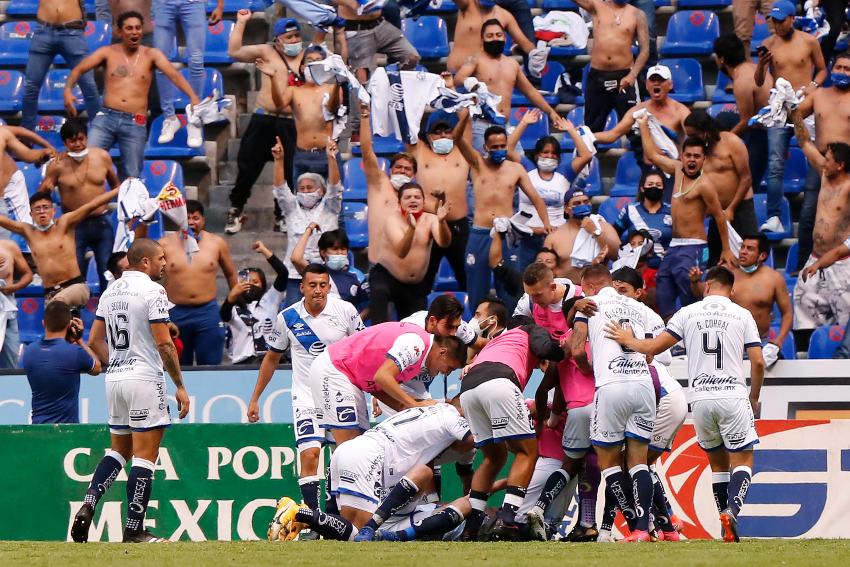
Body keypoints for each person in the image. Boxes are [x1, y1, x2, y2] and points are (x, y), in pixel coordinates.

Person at [606, 266, 765, 543]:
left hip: (701, 399)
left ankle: (724, 526)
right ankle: (732, 511)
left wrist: (627, 340)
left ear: (706, 286)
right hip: (733, 396)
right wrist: (754, 396)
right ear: (732, 289)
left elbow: (654, 348)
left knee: (718, 466)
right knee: (743, 460)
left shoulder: (687, 313)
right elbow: (759, 361)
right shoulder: (742, 315)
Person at [71, 238, 190, 544]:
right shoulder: (153, 291)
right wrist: (179, 385)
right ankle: (134, 529)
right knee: (145, 457)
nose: (165, 263)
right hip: (144, 378)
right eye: (161, 258)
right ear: (145, 262)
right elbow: (164, 342)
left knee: (119, 451)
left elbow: (96, 339)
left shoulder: (110, 292)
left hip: (115, 378)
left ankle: (88, 503)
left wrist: (119, 363)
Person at [248, 263, 363, 516]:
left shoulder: (346, 311)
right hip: (306, 398)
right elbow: (271, 358)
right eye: (313, 285)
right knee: (309, 455)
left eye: (323, 285)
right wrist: (255, 398)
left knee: (342, 458)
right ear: (302, 288)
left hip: (341, 396)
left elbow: (362, 352)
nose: (318, 290)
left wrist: (371, 392)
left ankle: (333, 517)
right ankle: (313, 519)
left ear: (329, 286)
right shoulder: (287, 317)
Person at [278, 401, 473, 542]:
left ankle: (307, 520)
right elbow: (475, 439)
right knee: (357, 534)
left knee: (335, 536)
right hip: (368, 457)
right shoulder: (451, 416)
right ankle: (301, 513)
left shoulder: (429, 415)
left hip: (349, 451)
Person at [568, 264, 656, 543]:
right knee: (639, 462)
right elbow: (651, 353)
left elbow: (576, 348)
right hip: (643, 386)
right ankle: (644, 528)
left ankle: (634, 525)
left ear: (591, 287)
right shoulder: (638, 306)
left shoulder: (589, 305)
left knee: (608, 462)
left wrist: (587, 368)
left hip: (611, 385)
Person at [459, 317, 565, 540]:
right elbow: (546, 349)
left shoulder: (498, 340)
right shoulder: (529, 329)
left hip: (468, 390)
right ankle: (508, 519)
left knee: (493, 458)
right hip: (500, 382)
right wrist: (563, 348)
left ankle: (472, 525)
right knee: (527, 452)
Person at [64, 10, 201, 180]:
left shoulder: (152, 54)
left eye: (137, 28)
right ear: (120, 32)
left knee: (133, 176)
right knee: (86, 161)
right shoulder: (107, 52)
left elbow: (174, 75)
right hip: (106, 117)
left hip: (135, 121)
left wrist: (193, 97)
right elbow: (80, 68)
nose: (134, 32)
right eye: (129, 28)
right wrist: (68, 89)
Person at [637, 112, 735, 318]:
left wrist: (726, 250)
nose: (692, 160)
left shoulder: (705, 185)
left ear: (703, 159)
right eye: (688, 155)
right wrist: (643, 125)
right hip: (674, 245)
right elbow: (652, 155)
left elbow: (719, 216)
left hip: (695, 246)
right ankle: (671, 338)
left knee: (690, 293)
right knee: (663, 289)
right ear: (682, 156)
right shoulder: (678, 170)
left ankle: (694, 333)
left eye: (697, 156)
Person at [454, 108, 552, 313]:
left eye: (503, 146)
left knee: (510, 287)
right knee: (476, 286)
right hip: (480, 232)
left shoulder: (515, 169)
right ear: (485, 147)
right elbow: (457, 139)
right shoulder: (477, 163)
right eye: (495, 146)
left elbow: (536, 198)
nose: (499, 149)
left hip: (507, 234)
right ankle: (476, 331)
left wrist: (547, 224)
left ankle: (512, 329)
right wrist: (464, 118)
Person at [310, 321, 466, 446]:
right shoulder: (416, 345)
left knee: (357, 446)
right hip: (335, 368)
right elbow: (382, 377)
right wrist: (413, 404)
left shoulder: (419, 361)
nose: (447, 373)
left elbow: (387, 394)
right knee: (348, 446)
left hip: (351, 377)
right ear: (443, 352)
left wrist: (422, 405)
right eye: (450, 367)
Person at [225, 12, 305, 234]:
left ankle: (282, 215)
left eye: (297, 36)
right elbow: (233, 51)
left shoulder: (307, 57)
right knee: (247, 166)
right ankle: (236, 210)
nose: (294, 41)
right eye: (289, 37)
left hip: (291, 121)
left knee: (289, 171)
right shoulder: (266, 52)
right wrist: (241, 22)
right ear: (278, 39)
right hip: (263, 118)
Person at [755, 0, 827, 234]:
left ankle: (821, 208)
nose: (777, 24)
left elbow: (823, 69)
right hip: (780, 107)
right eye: (773, 20)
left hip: (804, 105)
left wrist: (814, 85)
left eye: (781, 20)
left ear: (792, 19)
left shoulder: (809, 41)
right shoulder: (767, 44)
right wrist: (761, 66)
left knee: (819, 155)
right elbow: (758, 81)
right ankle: (774, 216)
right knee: (775, 164)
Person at [454, 19, 568, 152]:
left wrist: (550, 112)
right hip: (482, 126)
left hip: (505, 127)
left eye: (498, 35)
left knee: (518, 165)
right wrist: (472, 83)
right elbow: (458, 79)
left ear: (504, 37)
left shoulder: (512, 64)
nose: (495, 39)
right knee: (486, 170)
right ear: (482, 39)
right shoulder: (476, 60)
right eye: (489, 36)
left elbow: (530, 91)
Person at [37, 118, 120, 293]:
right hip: (74, 225)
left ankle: (108, 315)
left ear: (86, 138)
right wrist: (47, 189)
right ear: (65, 143)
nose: (78, 144)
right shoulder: (57, 165)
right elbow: (43, 195)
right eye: (72, 141)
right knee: (74, 274)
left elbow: (116, 185)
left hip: (101, 222)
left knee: (107, 271)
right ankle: (74, 317)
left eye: (81, 139)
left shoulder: (102, 157)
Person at [0, 189, 118, 307]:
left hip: (75, 287)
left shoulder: (64, 223)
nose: (42, 212)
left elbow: (93, 205)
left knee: (57, 305)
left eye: (46, 207)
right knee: (56, 322)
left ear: (53, 210)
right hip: (50, 293)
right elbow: (3, 221)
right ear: (31, 214)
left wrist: (119, 189)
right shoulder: (28, 231)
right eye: (37, 209)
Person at [508, 109, 593, 270]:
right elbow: (509, 150)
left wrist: (570, 130)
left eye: (554, 153)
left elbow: (586, 156)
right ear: (537, 154)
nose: (550, 156)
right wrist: (524, 123)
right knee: (523, 279)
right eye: (545, 152)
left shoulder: (565, 172)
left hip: (556, 237)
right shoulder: (526, 168)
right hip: (528, 235)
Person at [691, 234, 792, 367]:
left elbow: (787, 313)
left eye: (750, 249)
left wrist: (778, 341)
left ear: (762, 256)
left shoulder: (774, 278)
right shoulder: (727, 273)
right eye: (742, 247)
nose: (743, 251)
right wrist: (695, 281)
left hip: (760, 345)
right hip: (728, 343)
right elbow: (705, 295)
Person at [790, 110, 850, 335]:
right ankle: (806, 356)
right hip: (815, 257)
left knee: (846, 320)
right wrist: (794, 112)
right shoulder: (825, 175)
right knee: (803, 305)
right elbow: (804, 142)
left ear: (840, 165)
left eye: (829, 158)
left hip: (842, 261)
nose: (824, 161)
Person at [159, 199, 237, 365]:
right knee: (178, 365)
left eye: (196, 218)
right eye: (187, 218)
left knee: (210, 365)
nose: (191, 222)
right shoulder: (164, 244)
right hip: (175, 312)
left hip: (207, 311)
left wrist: (236, 300)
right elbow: (152, 276)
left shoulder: (216, 243)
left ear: (203, 220)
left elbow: (230, 273)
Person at [792, 52, 850, 273]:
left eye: (848, 69)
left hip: (848, 167)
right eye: (839, 68)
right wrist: (789, 105)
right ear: (831, 69)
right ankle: (803, 264)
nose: (842, 72)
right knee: (808, 215)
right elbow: (795, 116)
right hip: (821, 162)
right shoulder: (819, 96)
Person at [271, 136, 342, 308]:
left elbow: (335, 187)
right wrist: (279, 160)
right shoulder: (290, 209)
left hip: (325, 274)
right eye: (301, 189)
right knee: (295, 320)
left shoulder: (330, 208)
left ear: (321, 191)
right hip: (296, 277)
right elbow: (280, 188)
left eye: (310, 188)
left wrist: (331, 158)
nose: (305, 191)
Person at [683, 110, 758, 267]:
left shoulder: (731, 142)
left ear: (705, 131)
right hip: (716, 212)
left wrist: (731, 209)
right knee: (716, 260)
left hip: (740, 208)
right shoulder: (697, 153)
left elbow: (746, 178)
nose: (692, 139)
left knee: (748, 256)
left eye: (694, 135)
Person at [370, 182, 451, 322]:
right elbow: (401, 252)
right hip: (387, 276)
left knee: (416, 329)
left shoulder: (430, 219)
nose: (413, 200)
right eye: (407, 197)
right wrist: (412, 229)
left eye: (417, 197)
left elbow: (444, 243)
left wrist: (442, 222)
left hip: (415, 285)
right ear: (399, 202)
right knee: (379, 295)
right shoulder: (391, 220)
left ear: (423, 202)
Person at [591, 64, 691, 170]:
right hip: (649, 170)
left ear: (670, 85)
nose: (656, 83)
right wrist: (585, 135)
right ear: (647, 85)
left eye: (661, 80)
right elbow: (613, 134)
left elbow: (694, 137)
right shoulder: (637, 111)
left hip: (674, 167)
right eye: (652, 80)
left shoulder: (680, 111)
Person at [411, 116, 471, 292]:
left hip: (458, 226)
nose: (442, 135)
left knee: (466, 277)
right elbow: (409, 125)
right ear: (428, 136)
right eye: (437, 133)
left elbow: (466, 120)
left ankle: (475, 316)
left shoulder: (462, 150)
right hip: (430, 223)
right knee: (424, 278)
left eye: (447, 131)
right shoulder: (420, 152)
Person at [22, 0, 101, 132]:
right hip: (44, 31)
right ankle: (26, 135)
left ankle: (100, 133)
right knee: (31, 87)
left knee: (89, 87)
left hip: (72, 31)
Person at [574, 0, 649, 133]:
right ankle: (587, 154)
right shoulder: (596, 6)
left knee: (636, 129)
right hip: (597, 77)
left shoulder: (637, 14)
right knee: (591, 129)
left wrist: (632, 75)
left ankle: (640, 154)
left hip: (625, 77)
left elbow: (645, 50)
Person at [154, 0, 224, 143]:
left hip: (193, 3)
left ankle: (195, 117)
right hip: (163, 4)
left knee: (197, 60)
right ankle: (169, 118)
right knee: (160, 63)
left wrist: (220, 5)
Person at [359, 104, 418, 267]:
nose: (402, 171)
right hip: (378, 263)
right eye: (398, 167)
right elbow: (367, 152)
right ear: (391, 170)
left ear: (413, 175)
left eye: (407, 169)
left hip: (404, 265)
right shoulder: (379, 184)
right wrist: (365, 117)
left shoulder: (416, 196)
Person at [713, 34, 773, 193]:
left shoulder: (741, 81)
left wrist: (723, 141)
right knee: (724, 118)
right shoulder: (754, 68)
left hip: (762, 133)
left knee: (748, 187)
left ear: (721, 59)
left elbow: (747, 121)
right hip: (764, 125)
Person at [23, 301, 101, 423]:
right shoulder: (75, 352)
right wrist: (79, 340)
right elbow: (97, 368)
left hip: (38, 428)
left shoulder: (29, 352)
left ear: (43, 323)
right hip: (68, 432)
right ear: (69, 324)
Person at [276, 46, 341, 182]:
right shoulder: (293, 91)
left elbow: (333, 108)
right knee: (301, 200)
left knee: (334, 198)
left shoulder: (332, 88)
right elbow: (279, 105)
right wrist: (272, 79)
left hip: (327, 153)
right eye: (309, 60)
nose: (313, 64)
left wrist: (338, 82)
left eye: (318, 61)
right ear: (302, 67)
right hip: (302, 154)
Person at [221, 241, 289, 365]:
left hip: (268, 361)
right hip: (241, 363)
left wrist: (264, 250)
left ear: (263, 285)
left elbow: (283, 273)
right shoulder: (233, 306)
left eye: (255, 282)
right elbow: (224, 315)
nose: (251, 285)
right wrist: (231, 296)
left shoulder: (270, 300)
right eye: (246, 281)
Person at [331, 0, 420, 83]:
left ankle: (394, 84)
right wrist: (353, 4)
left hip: (380, 25)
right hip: (357, 29)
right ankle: (365, 98)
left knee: (412, 57)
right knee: (362, 77)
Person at [543, 190, 620, 283]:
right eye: (577, 203)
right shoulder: (554, 237)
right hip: (567, 291)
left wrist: (595, 232)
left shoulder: (604, 227)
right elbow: (544, 270)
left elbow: (618, 255)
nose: (582, 205)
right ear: (566, 209)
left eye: (586, 202)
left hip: (598, 289)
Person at [613, 168, 672, 277]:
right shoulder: (630, 210)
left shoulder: (672, 211)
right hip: (636, 270)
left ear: (664, 189)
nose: (654, 187)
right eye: (650, 184)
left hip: (666, 269)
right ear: (642, 188)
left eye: (658, 185)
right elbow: (614, 233)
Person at [448, 0, 536, 72]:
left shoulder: (504, 16)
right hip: (457, 73)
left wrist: (536, 55)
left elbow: (526, 44)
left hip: (486, 78)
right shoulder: (467, 5)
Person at [292, 229, 368, 311]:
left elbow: (367, 306)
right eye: (335, 249)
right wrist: (308, 230)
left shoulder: (358, 276)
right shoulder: (316, 272)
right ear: (323, 252)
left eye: (343, 249)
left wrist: (355, 322)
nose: (339, 253)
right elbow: (296, 258)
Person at [0, 239, 33, 368]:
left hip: (8, 312)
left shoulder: (9, 246)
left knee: (12, 359)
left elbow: (28, 275)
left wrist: (13, 287)